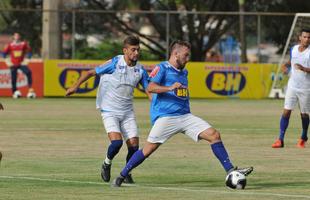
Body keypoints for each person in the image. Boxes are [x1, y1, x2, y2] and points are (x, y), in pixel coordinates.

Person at [112, 40, 253, 187]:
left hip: (185, 116)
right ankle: (122, 175)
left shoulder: (184, 71)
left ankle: (230, 170)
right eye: (186, 55)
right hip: (166, 117)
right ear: (175, 54)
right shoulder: (162, 68)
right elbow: (151, 87)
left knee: (214, 135)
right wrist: (169, 88)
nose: (188, 58)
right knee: (148, 150)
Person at [66, 35, 150, 184]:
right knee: (117, 143)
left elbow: (149, 90)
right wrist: (75, 87)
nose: (136, 53)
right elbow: (90, 73)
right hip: (109, 110)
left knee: (134, 147)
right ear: (125, 50)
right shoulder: (115, 63)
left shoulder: (140, 70)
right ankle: (107, 163)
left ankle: (126, 172)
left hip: (127, 111)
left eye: (138, 50)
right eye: (133, 50)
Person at [272, 29, 310, 148]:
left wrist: (304, 69)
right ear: (300, 37)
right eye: (304, 37)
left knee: (304, 114)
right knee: (286, 111)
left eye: (309, 38)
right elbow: (292, 60)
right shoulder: (293, 49)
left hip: (306, 88)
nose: (307, 39)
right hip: (292, 86)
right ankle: (280, 139)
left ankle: (303, 136)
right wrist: (286, 65)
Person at [2, 32, 35, 98]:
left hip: (21, 63)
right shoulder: (10, 45)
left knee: (28, 72)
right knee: (13, 78)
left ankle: (30, 89)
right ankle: (15, 92)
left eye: (18, 35)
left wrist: (27, 59)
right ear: (13, 37)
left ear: (20, 37)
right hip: (13, 64)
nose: (17, 37)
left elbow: (29, 52)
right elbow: (3, 54)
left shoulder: (23, 44)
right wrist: (8, 62)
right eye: (16, 36)